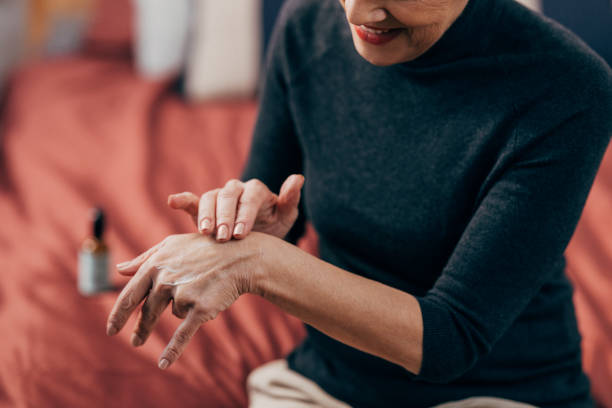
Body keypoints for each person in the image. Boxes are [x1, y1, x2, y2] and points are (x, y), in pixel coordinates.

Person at [106, 0, 612, 406]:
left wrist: (259, 263)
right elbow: (278, 199)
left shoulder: (566, 86)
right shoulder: (307, 22)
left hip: (497, 392)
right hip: (325, 384)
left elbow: (449, 339)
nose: (356, 13)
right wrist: (247, 225)